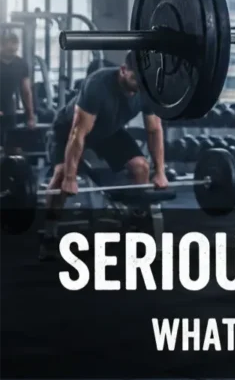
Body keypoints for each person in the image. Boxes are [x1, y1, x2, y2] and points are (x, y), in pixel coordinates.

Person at [41, 52, 169, 261]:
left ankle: (137, 221)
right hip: (68, 130)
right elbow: (78, 134)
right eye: (135, 78)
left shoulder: (147, 89)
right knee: (61, 173)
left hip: (108, 131)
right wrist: (71, 178)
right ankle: (50, 234)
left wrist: (160, 172)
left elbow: (154, 130)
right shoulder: (98, 85)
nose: (140, 84)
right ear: (123, 70)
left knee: (141, 167)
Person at [0, 32, 36, 137]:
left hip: (8, 108)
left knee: (9, 141)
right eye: (9, 46)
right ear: (2, 45)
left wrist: (30, 117)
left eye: (14, 46)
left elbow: (26, 92)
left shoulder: (21, 64)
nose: (12, 49)